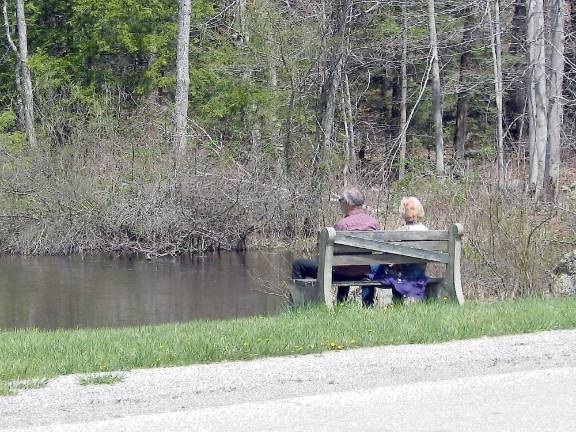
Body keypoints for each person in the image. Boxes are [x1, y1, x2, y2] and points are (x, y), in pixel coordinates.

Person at [291, 187, 379, 306]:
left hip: (341, 272)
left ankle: (299, 304)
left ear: (348, 203)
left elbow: (331, 255)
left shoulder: (342, 225)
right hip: (364, 271)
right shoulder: (373, 223)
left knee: (299, 264)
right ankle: (357, 304)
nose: (340, 203)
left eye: (340, 200)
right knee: (346, 265)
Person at [369, 197, 429, 303]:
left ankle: (368, 303)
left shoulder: (401, 232)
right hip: (419, 271)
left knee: (369, 268)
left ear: (403, 213)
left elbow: (388, 253)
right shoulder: (428, 232)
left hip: (403, 272)